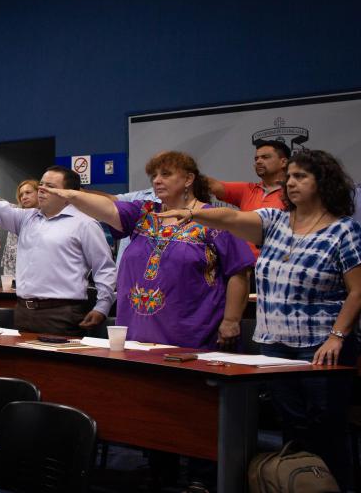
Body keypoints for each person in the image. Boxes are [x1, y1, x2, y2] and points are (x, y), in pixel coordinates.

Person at [156, 149, 360, 489]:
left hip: (321, 348)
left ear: (323, 183)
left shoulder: (344, 231)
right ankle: (298, 483)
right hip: (274, 345)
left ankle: (337, 485)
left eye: (300, 177)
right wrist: (196, 215)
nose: (290, 183)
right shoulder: (276, 221)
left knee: (325, 428)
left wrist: (338, 335)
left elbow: (357, 291)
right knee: (291, 428)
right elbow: (233, 220)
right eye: (289, 177)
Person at [41, 151, 255, 349]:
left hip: (189, 334)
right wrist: (69, 194)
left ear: (189, 179)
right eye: (154, 175)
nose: (156, 180)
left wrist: (231, 320)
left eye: (166, 174)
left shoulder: (214, 220)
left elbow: (239, 272)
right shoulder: (143, 212)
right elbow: (105, 208)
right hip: (136, 333)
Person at [0, 167, 115, 335]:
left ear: (69, 193)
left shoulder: (85, 224)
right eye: (41, 184)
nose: (41, 189)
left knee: (55, 373)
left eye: (50, 186)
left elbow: (104, 268)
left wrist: (102, 307)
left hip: (63, 312)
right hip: (24, 310)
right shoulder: (26, 218)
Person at [207, 140, 290, 256]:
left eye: (265, 157)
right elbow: (213, 185)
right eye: (256, 159)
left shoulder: (294, 194)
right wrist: (185, 172)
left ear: (283, 162)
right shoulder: (247, 189)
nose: (259, 161)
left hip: (276, 265)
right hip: (244, 268)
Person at [0, 179, 38, 280]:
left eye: (28, 193)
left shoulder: (47, 215)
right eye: (21, 195)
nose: (24, 197)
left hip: (33, 268)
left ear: (39, 193)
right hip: (12, 268)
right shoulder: (15, 212)